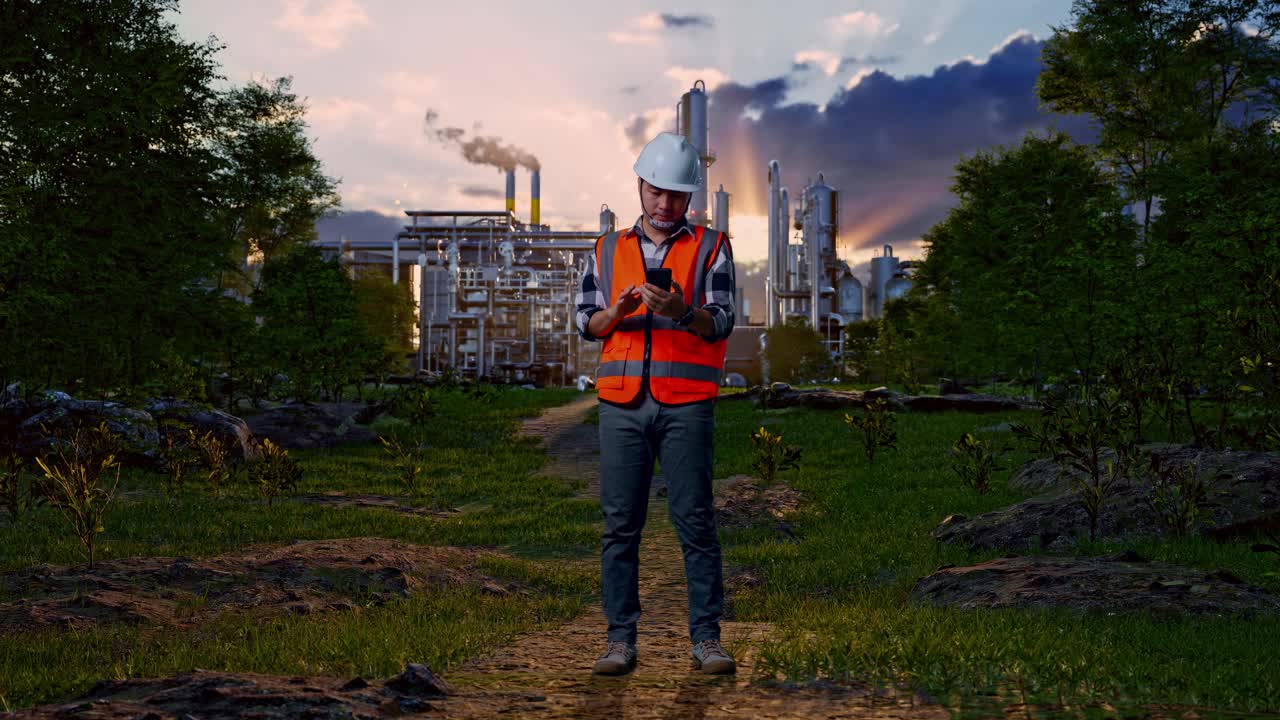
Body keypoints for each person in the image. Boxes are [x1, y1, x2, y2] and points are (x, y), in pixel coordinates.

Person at [575, 131, 737, 676]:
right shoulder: (603, 249)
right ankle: (619, 639)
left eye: (676, 195)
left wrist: (680, 311)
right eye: (656, 192)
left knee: (695, 519)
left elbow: (722, 322)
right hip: (621, 403)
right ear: (639, 186)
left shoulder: (713, 246)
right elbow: (587, 325)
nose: (665, 204)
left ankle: (706, 639)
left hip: (687, 402)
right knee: (620, 525)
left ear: (690, 198)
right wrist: (618, 313)